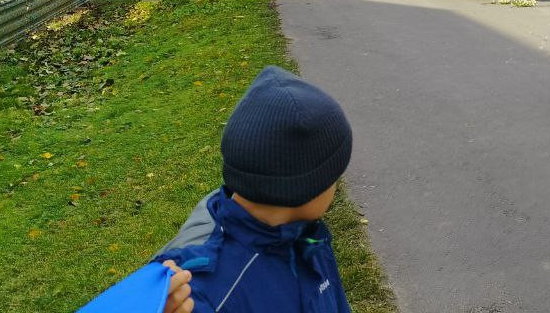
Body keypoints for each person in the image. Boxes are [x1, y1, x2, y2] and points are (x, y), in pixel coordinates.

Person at [77, 66, 354, 313]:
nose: (336, 185)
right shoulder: (195, 293)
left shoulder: (304, 235)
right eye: (333, 177)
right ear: (303, 190)